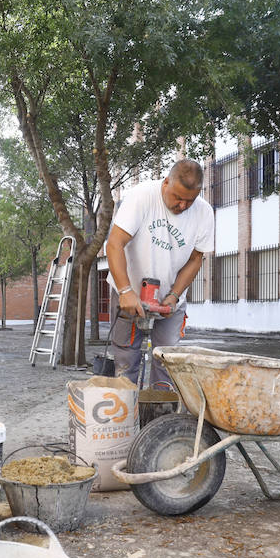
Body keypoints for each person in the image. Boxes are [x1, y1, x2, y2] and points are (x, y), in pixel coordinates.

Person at [104, 159, 215, 389]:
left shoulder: (204, 213)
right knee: (126, 363)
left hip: (169, 300)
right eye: (178, 197)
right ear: (166, 183)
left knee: (167, 362)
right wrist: (125, 291)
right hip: (129, 293)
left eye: (189, 201)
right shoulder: (141, 197)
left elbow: (196, 259)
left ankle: (160, 422)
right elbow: (114, 243)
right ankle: (126, 419)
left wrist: (174, 295)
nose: (183, 205)